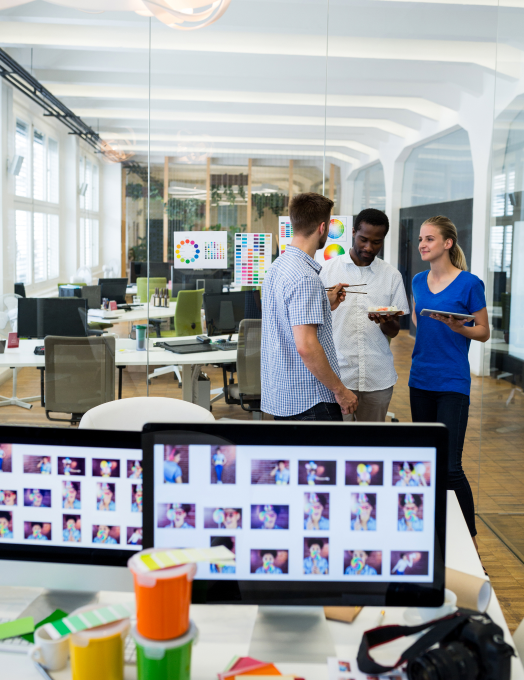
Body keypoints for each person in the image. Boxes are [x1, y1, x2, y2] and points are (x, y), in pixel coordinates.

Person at [410, 216, 489, 544]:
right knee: (426, 462)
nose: (422, 244)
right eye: (420, 239)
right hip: (420, 379)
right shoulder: (417, 280)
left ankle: (469, 546)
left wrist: (459, 327)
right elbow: (418, 318)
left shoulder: (469, 283)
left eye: (429, 239)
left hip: (452, 382)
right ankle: (433, 537)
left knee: (451, 467)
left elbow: (483, 332)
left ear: (447, 243)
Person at [261, 192, 358, 420]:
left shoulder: (277, 267)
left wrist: (324, 303)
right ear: (322, 228)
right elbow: (306, 346)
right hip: (311, 401)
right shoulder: (305, 277)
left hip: (285, 398)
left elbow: (286, 321)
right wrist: (340, 390)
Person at [319, 209, 410, 421]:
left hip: (377, 377)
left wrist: (385, 322)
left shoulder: (391, 276)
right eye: (363, 239)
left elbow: (394, 331)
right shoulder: (326, 271)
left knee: (371, 439)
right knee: (335, 440)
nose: (369, 247)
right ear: (353, 232)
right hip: (338, 376)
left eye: (376, 242)